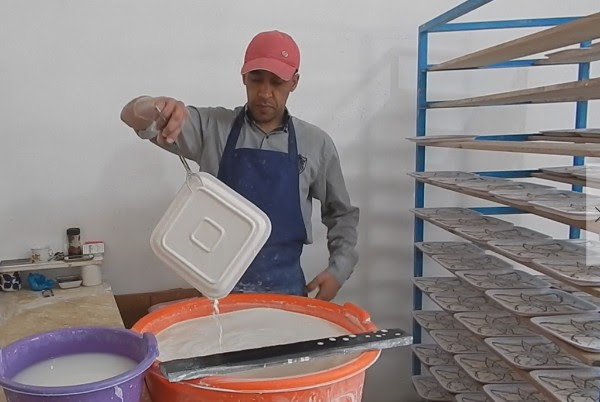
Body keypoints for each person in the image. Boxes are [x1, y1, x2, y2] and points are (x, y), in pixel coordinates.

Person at [120, 30, 358, 301]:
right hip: (217, 296)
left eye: (277, 82)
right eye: (256, 79)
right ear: (244, 76)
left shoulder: (316, 144)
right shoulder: (212, 128)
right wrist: (152, 106)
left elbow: (342, 214)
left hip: (287, 294)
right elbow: (131, 116)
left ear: (294, 82)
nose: (265, 93)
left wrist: (339, 269)